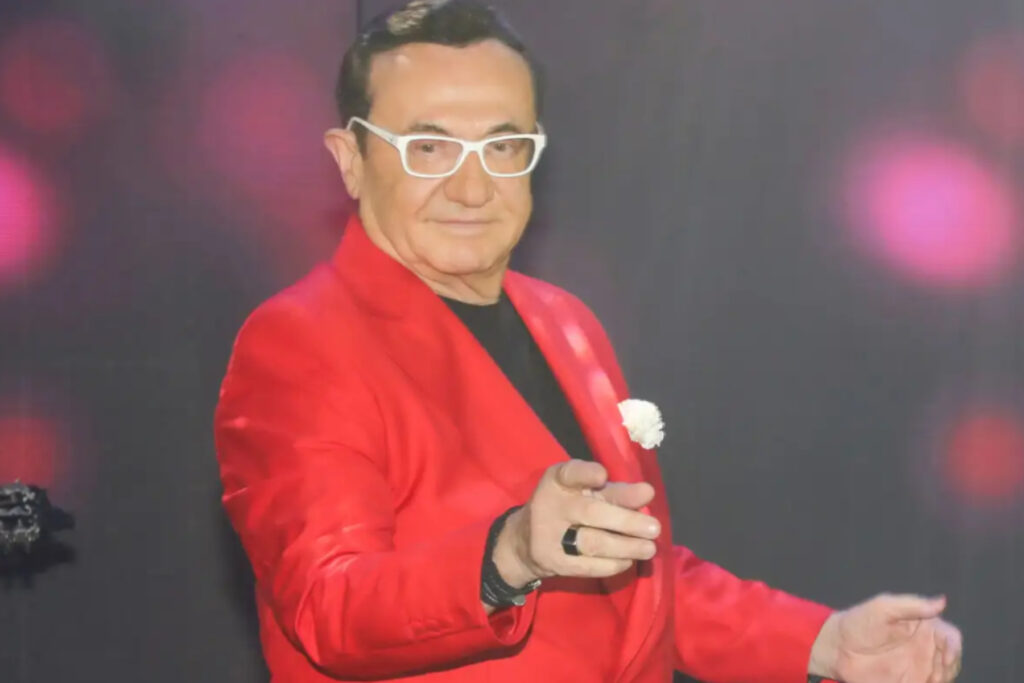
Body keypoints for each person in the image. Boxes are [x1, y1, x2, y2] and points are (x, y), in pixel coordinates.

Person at [214, 1, 963, 681]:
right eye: (429, 148)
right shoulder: (301, 342)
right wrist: (507, 555)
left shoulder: (564, 320)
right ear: (350, 160)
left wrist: (824, 642)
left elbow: (632, 581)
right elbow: (331, 605)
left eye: (503, 146)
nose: (473, 188)